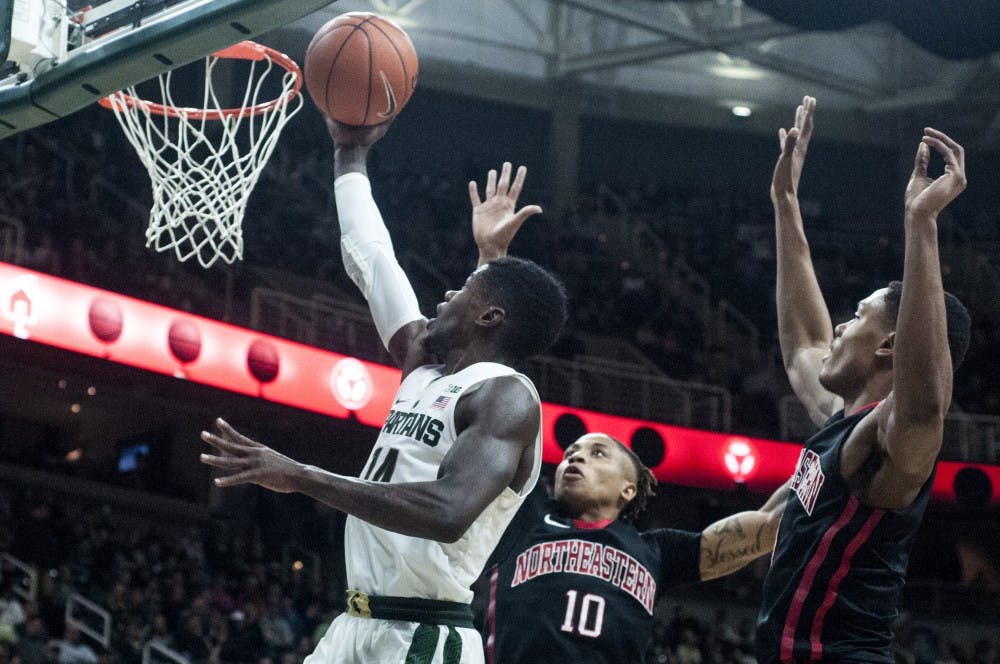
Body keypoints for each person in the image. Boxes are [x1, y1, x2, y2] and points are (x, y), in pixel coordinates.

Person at [200, 118, 568, 664]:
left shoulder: (507, 398)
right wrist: (349, 154)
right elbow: (374, 259)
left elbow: (448, 511)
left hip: (422, 636)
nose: (446, 292)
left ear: (491, 315)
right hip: (353, 625)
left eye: (464, 289)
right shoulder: (424, 365)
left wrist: (302, 476)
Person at [756, 96, 972, 663]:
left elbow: (926, 403)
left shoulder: (893, 442)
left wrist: (920, 223)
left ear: (891, 345)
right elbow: (803, 340)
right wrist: (784, 202)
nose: (839, 326)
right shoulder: (841, 424)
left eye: (855, 315)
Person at [478, 432, 789, 664]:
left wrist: (831, 445)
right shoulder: (524, 515)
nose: (575, 457)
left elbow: (768, 521)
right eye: (570, 453)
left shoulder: (655, 550)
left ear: (628, 489)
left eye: (598, 453)